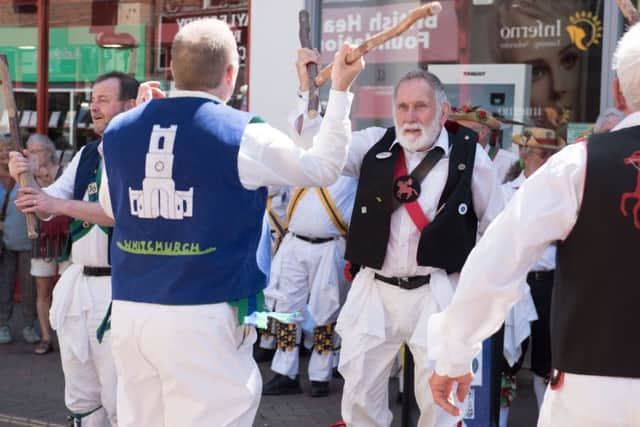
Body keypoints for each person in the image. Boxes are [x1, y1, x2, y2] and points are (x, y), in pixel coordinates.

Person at [97, 18, 363, 426]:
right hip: (204, 311)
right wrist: (341, 90)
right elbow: (323, 167)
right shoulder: (241, 133)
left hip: (132, 310)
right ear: (231, 73)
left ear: (172, 69)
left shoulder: (119, 130)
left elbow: (114, 209)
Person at [428, 22, 640, 427]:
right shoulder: (574, 165)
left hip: (591, 392)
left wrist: (455, 354)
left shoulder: (578, 165)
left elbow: (499, 260)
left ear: (616, 92)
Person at [295, 46, 504, 426]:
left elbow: (498, 229)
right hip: (375, 288)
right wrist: (311, 92)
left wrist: (477, 295)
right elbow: (318, 152)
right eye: (403, 107)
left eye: (420, 106)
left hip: (437, 291)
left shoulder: (470, 156)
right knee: (359, 396)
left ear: (442, 112)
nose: (410, 116)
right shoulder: (374, 144)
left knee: (440, 407)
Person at [9, 71, 139, 427]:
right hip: (78, 286)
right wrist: (24, 176)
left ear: (130, 104)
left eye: (104, 99)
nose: (94, 107)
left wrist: (54, 204)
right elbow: (48, 202)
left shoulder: (137, 156)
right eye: (92, 99)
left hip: (121, 289)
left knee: (119, 393)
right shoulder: (87, 154)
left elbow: (117, 215)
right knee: (81, 394)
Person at [497, 127, 564, 427]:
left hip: (549, 285)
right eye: (542, 154)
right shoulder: (506, 192)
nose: (548, 160)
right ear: (524, 155)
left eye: (552, 155)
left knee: (546, 363)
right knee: (509, 361)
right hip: (517, 284)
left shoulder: (562, 193)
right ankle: (498, 421)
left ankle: (545, 421)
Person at [25, 133, 69, 355]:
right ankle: (45, 337)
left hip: (65, 238)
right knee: (42, 292)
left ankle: (65, 336)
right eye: (30, 150)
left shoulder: (64, 171)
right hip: (41, 239)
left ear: (49, 151)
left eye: (37, 150)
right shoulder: (27, 176)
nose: (33, 155)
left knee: (66, 289)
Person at [0, 135, 39, 346]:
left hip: (26, 239)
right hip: (3, 244)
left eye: (8, 148)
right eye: (1, 149)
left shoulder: (24, 174)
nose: (4, 152)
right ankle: (3, 325)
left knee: (29, 286)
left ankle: (28, 325)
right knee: (4, 285)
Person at [450, 104, 518, 182]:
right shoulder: (451, 156)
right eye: (458, 130)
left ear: (482, 133)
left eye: (464, 130)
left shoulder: (508, 161)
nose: (459, 134)